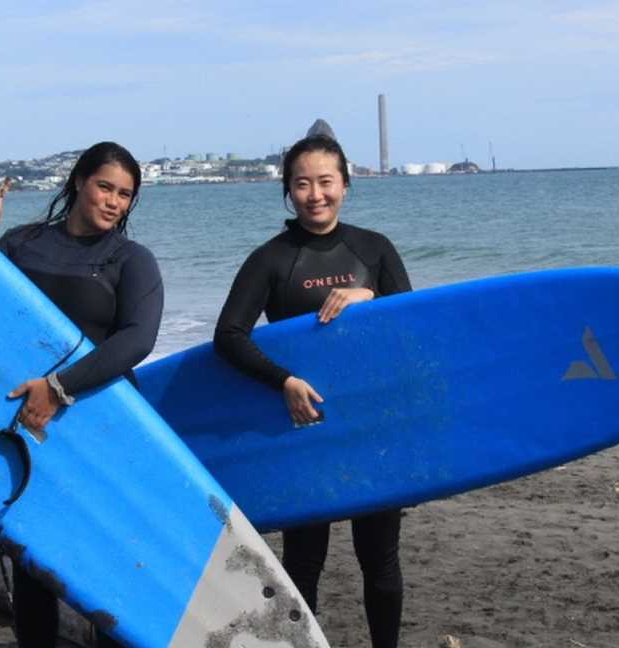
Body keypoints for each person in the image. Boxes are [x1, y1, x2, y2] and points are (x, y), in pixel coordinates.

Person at [213, 128, 411, 648]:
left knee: (381, 559)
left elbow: (411, 330)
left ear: (346, 184)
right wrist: (284, 380)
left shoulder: (374, 250)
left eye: (326, 181)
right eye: (302, 184)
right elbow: (228, 337)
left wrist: (371, 296)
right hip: (302, 424)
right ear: (288, 191)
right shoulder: (272, 259)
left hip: (370, 426)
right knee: (303, 561)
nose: (315, 194)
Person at [0, 142, 163, 648]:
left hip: (103, 419)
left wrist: (58, 388)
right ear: (79, 181)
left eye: (125, 195)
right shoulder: (23, 242)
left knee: (103, 555)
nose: (114, 202)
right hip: (29, 421)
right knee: (31, 554)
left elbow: (137, 339)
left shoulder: (130, 260)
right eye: (105, 187)